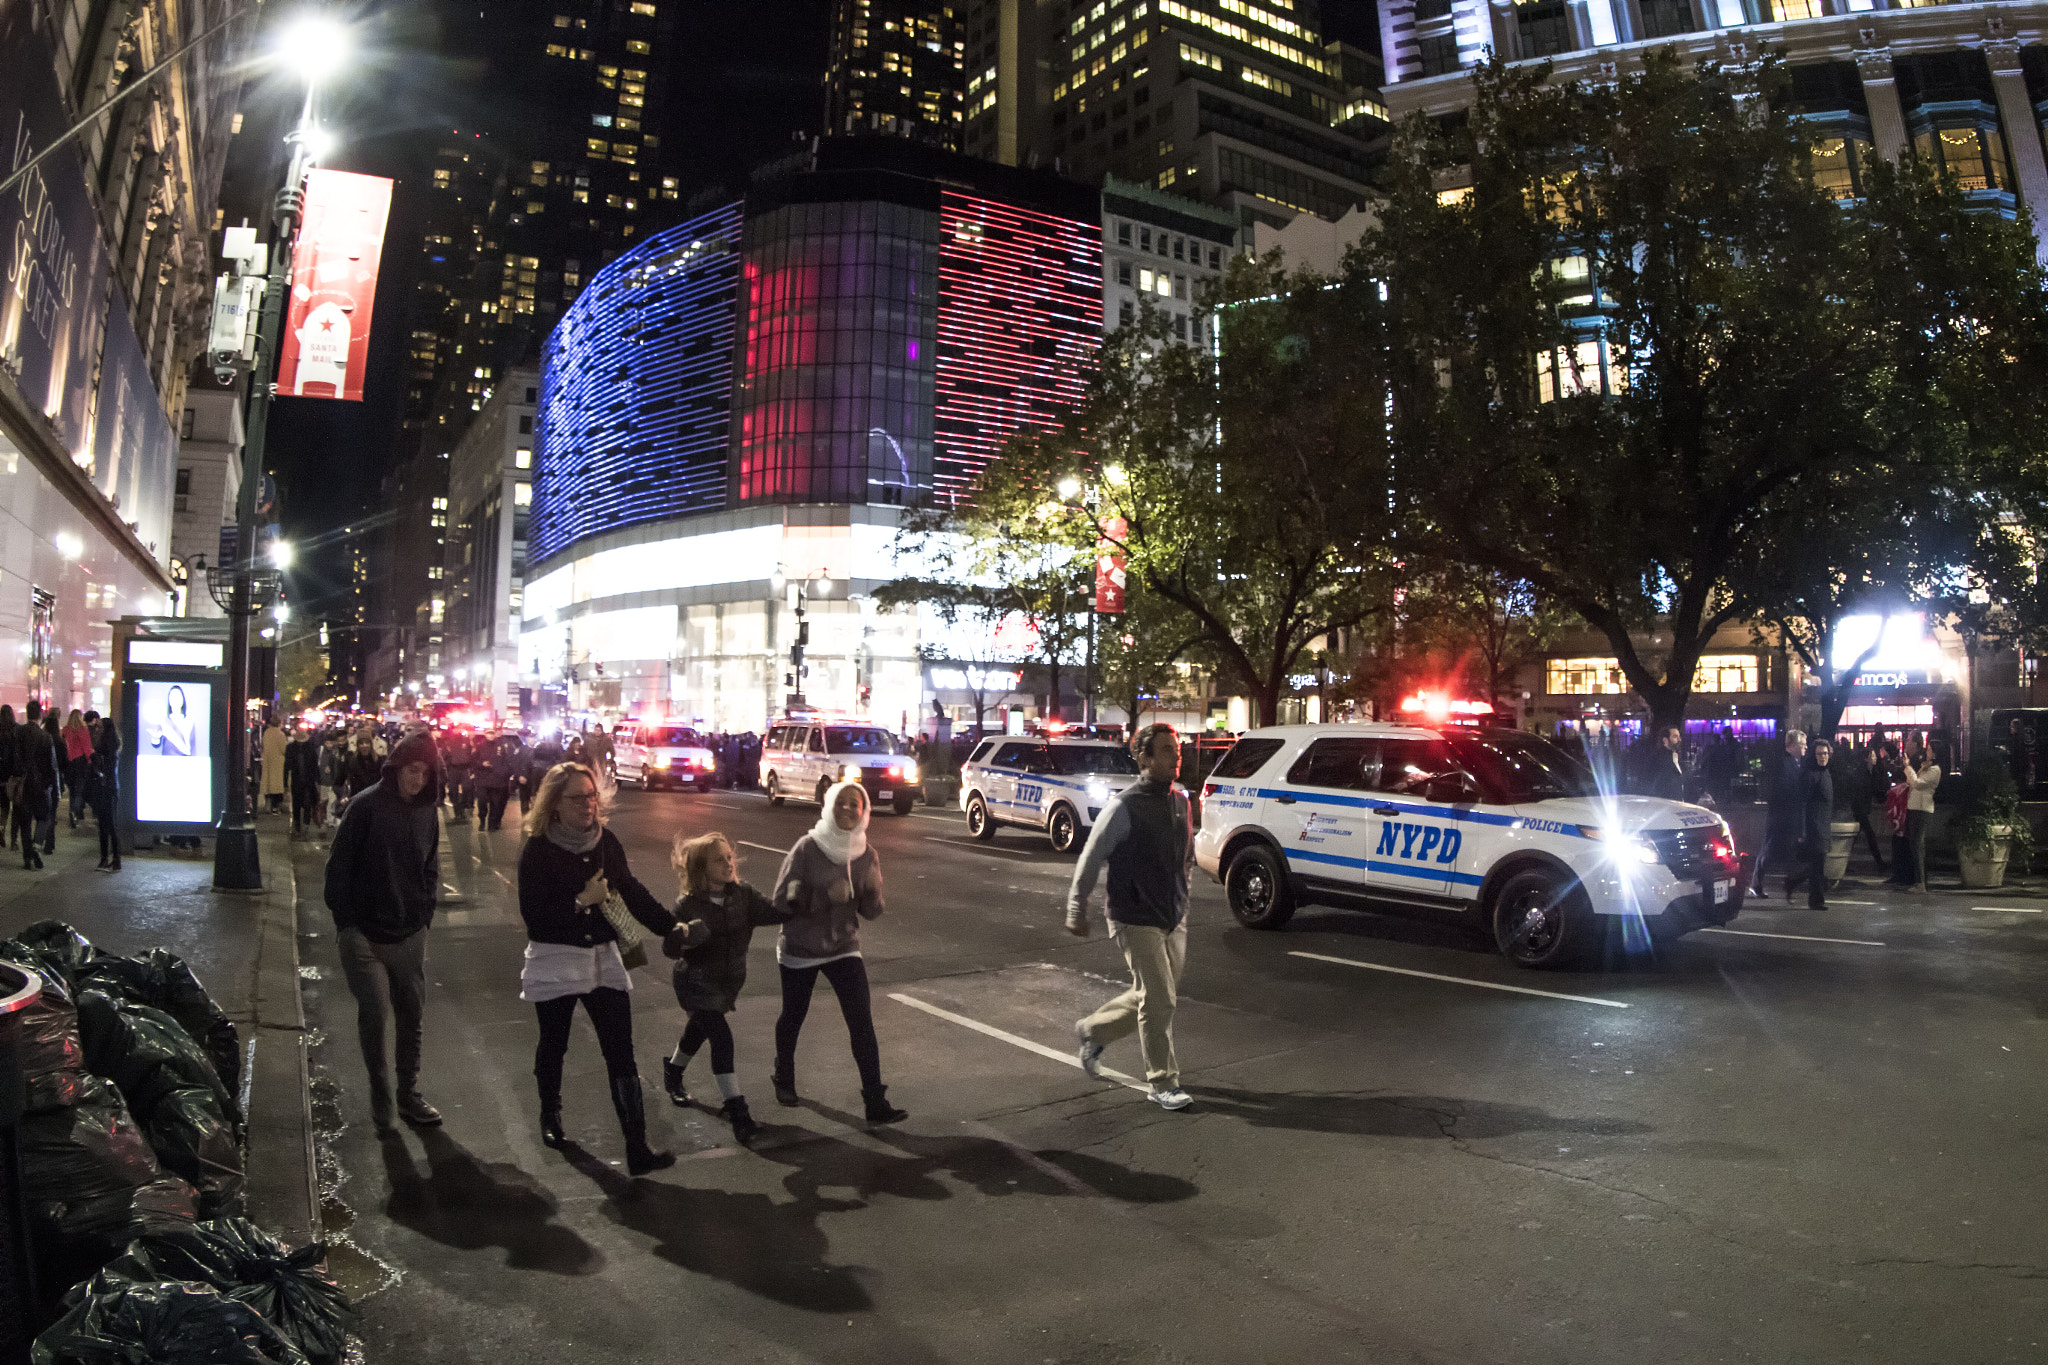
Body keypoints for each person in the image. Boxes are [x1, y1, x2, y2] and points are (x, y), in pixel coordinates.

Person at [517, 761, 677, 1172]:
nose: (588, 805)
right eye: (577, 798)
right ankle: (550, 1115)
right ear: (554, 804)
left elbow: (632, 892)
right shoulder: (538, 849)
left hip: (602, 959)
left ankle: (637, 1146)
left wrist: (671, 927)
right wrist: (580, 901)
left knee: (621, 1050)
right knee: (554, 1044)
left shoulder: (605, 842)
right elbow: (536, 917)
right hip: (557, 959)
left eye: (591, 796)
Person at [1065, 722, 1196, 1112]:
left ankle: (1093, 1030)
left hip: (1172, 914)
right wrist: (1077, 907)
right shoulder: (1124, 807)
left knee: (1154, 996)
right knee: (1160, 1000)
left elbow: (1184, 856)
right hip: (1133, 915)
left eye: (1177, 749)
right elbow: (1091, 856)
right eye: (1167, 750)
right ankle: (1162, 1082)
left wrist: (1184, 893)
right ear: (1144, 757)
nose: (1177, 756)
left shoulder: (1181, 802)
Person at [324, 730, 445, 1134]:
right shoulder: (365, 807)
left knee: (412, 1015)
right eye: (413, 770)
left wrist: (424, 914)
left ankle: (408, 1093)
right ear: (397, 767)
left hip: (409, 932)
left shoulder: (428, 811)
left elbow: (431, 867)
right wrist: (347, 923)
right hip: (363, 934)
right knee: (375, 1014)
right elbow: (338, 869)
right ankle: (382, 1092)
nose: (419, 780)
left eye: (426, 773)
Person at [768, 780, 905, 1124]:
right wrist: (825, 897)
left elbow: (872, 912)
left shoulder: (866, 854)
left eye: (854, 804)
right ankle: (783, 1075)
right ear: (828, 806)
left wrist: (872, 893)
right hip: (801, 945)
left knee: (861, 1021)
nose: (847, 809)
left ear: (864, 812)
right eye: (840, 803)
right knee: (793, 1015)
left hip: (844, 946)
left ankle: (875, 1100)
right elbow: (781, 904)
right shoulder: (807, 848)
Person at [661, 832, 791, 1146]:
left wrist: (800, 896)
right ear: (701, 868)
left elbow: (774, 913)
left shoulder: (742, 895)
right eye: (719, 860)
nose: (728, 863)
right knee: (721, 1038)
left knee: (699, 1031)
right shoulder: (687, 905)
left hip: (726, 985)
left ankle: (673, 1071)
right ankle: (737, 1112)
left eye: (729, 857)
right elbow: (670, 949)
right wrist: (684, 935)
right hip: (695, 983)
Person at [1748, 729, 1807, 899]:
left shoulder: (1793, 763)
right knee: (1770, 851)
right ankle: (1761, 883)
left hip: (1786, 816)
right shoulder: (1784, 764)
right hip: (1782, 817)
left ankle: (1766, 884)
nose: (1805, 748)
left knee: (1779, 851)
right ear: (1793, 745)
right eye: (1802, 745)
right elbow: (1782, 790)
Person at [1782, 738, 1835, 910]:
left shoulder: (1825, 772)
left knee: (1816, 864)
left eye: (1825, 753)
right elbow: (1802, 803)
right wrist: (1802, 830)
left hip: (1823, 824)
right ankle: (1816, 900)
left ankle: (1792, 882)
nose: (1823, 757)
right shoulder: (1810, 775)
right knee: (1818, 864)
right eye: (1819, 754)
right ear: (1814, 755)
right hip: (1814, 826)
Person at [12, 701, 54, 870]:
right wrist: (49, 783)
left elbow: (15, 759)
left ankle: (27, 858)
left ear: (27, 714)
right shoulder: (45, 736)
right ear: (40, 715)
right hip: (40, 785)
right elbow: (50, 765)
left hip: (23, 784)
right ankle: (36, 846)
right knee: (43, 818)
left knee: (25, 822)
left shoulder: (18, 733)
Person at [1904, 738, 1941, 894]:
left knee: (1918, 845)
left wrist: (1908, 767)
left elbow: (1918, 783)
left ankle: (1921, 883)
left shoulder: (1935, 770)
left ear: (1935, 753)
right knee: (1916, 845)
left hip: (1922, 809)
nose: (1927, 752)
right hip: (1915, 807)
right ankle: (1919, 880)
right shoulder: (1926, 767)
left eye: (1929, 749)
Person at [1626, 723, 1689, 802]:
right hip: (1666, 807)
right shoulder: (1657, 760)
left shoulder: (1677, 759)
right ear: (1665, 740)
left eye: (1679, 736)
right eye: (1675, 737)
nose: (1679, 740)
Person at [91, 714, 122, 871]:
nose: (98, 730)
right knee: (107, 824)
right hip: (110, 788)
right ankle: (112, 858)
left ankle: (110, 858)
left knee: (107, 824)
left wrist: (96, 764)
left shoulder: (105, 748)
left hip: (106, 788)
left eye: (101, 727)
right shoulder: (112, 746)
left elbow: (103, 769)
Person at [284, 726, 322, 836]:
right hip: (299, 781)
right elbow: (287, 766)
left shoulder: (309, 748)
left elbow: (315, 766)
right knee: (297, 805)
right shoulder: (292, 748)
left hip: (307, 782)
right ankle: (298, 827)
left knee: (306, 805)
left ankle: (303, 828)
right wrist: (285, 782)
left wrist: (317, 781)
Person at [62, 709, 92, 828]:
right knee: (79, 791)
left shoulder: (65, 730)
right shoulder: (83, 730)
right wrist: (89, 761)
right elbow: (86, 747)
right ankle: (74, 812)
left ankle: (71, 812)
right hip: (80, 763)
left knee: (72, 791)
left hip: (69, 764)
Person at [153, 685, 198, 756]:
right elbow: (156, 744)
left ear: (182, 700)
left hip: (185, 763)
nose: (175, 699)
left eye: (177, 696)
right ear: (169, 700)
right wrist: (155, 738)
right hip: (166, 763)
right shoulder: (163, 721)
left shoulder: (189, 722)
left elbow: (192, 748)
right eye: (172, 696)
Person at [442, 727, 475, 823]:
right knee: (453, 791)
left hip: (465, 769)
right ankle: (457, 814)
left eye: (458, 728)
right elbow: (444, 756)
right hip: (453, 769)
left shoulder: (467, 740)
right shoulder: (448, 742)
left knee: (467, 789)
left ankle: (462, 810)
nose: (457, 730)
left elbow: (473, 754)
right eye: (455, 729)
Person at [260, 717, 287, 814]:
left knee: (268, 783)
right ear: (279, 723)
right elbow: (283, 749)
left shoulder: (267, 733)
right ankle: (275, 807)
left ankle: (268, 805)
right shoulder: (280, 734)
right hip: (278, 762)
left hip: (267, 760)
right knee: (277, 785)